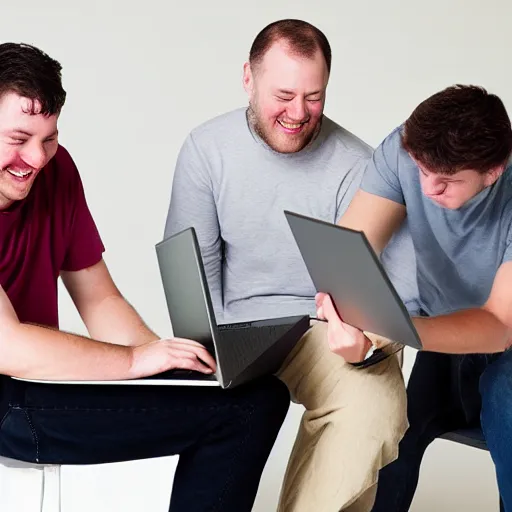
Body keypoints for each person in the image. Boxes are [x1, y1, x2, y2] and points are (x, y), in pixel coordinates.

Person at [0, 42, 291, 512]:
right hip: (8, 398)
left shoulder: (59, 171)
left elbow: (99, 300)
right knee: (242, 413)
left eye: (48, 138)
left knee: (257, 399)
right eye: (18, 139)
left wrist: (172, 369)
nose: (37, 158)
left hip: (40, 387)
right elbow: (7, 347)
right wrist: (136, 361)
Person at [165, 19, 418, 512]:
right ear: (248, 78)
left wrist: (365, 342)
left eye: (314, 96)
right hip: (236, 330)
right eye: (283, 94)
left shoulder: (359, 166)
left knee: (376, 407)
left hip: (321, 329)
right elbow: (194, 271)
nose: (298, 114)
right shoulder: (206, 149)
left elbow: (392, 288)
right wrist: (206, 346)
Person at [316, 84, 512, 510]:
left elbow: (499, 326)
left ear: (494, 170)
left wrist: (392, 327)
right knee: (394, 441)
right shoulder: (403, 148)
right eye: (421, 171)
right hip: (443, 332)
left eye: (447, 182)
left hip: (502, 341)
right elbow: (349, 249)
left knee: (506, 409)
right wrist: (340, 311)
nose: (427, 189)